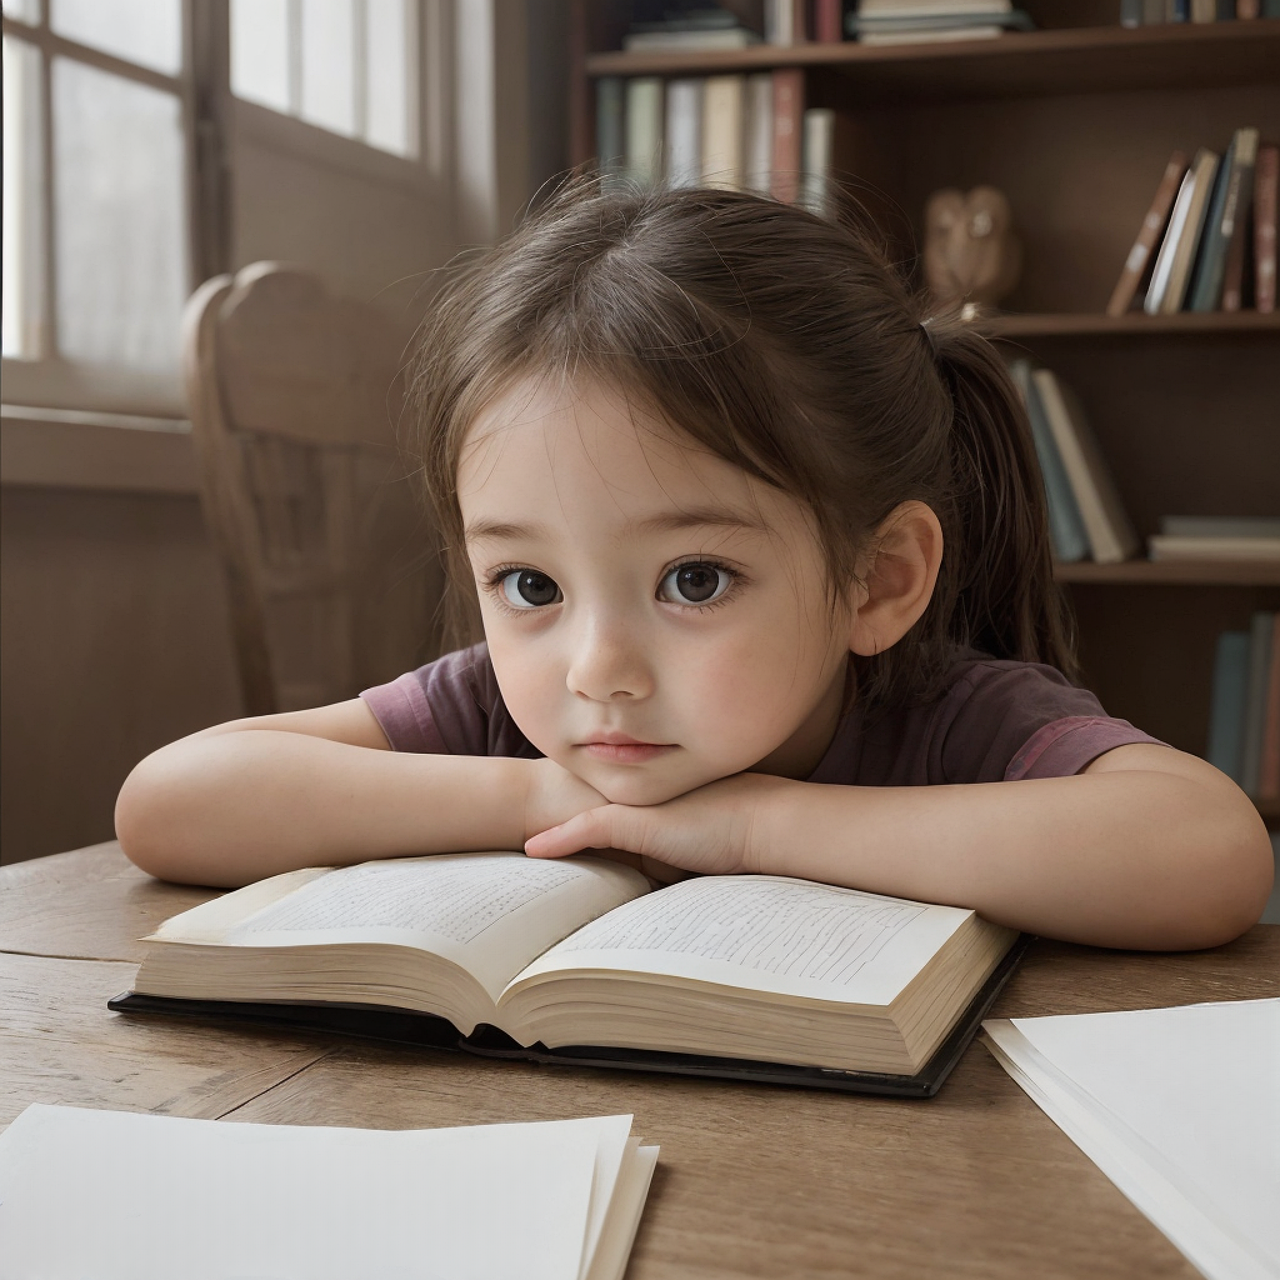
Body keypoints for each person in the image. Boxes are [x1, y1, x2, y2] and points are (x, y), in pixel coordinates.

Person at [115, 181, 1272, 950]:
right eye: (530, 585)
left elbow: (1209, 853)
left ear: (875, 581)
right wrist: (543, 793)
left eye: (694, 579)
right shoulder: (505, 716)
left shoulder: (946, 713)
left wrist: (754, 823)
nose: (597, 668)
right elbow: (170, 803)